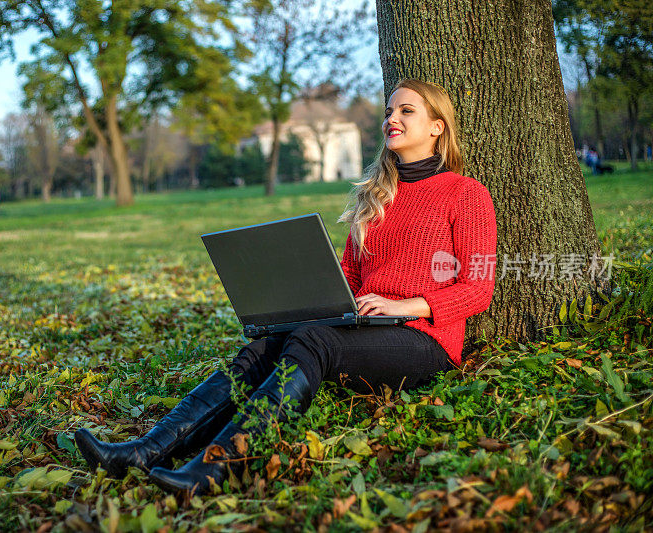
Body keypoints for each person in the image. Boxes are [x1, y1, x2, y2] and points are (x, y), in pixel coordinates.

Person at [74, 79, 497, 496]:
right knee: (266, 345)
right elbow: (350, 274)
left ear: (437, 127)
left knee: (314, 341)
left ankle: (216, 468)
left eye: (406, 111)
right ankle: (144, 451)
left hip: (425, 341)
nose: (392, 118)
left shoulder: (466, 193)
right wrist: (314, 303)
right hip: (365, 325)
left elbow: (478, 289)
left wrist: (404, 306)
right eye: (389, 111)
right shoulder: (376, 195)